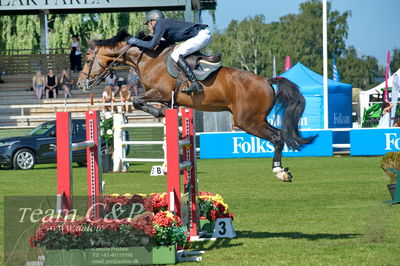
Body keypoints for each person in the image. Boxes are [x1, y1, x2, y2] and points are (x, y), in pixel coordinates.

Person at [127, 9, 212, 94]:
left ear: (153, 21)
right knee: (177, 52)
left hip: (201, 35)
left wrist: (136, 41)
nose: (148, 27)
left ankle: (195, 83)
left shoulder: (160, 24)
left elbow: (151, 45)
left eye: (148, 24)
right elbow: (166, 44)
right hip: (202, 34)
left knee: (176, 55)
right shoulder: (164, 26)